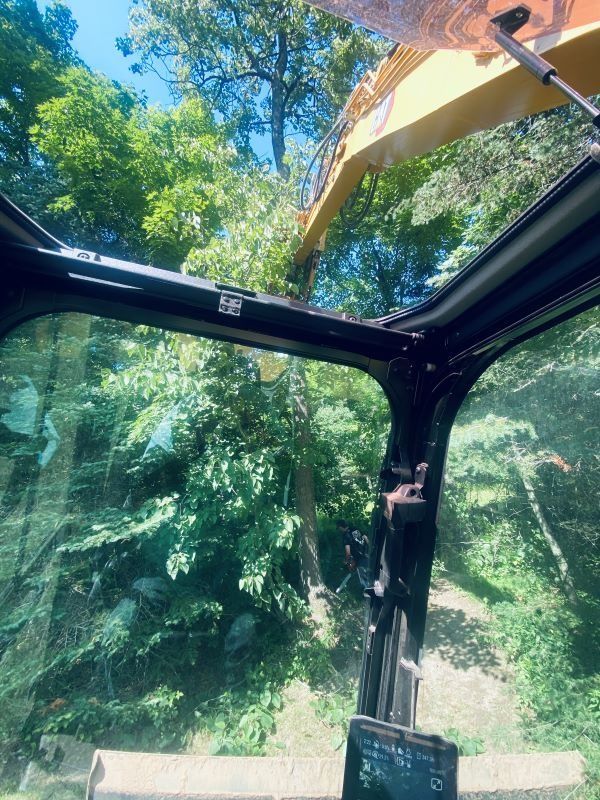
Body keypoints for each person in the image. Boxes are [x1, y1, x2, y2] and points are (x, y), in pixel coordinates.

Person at [336, 519, 370, 590]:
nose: (339, 530)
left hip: (359, 558)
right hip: (367, 554)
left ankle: (368, 594)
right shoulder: (355, 529)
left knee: (364, 578)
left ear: (341, 527)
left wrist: (349, 562)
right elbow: (366, 538)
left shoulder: (345, 536)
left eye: (339, 528)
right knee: (370, 574)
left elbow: (348, 552)